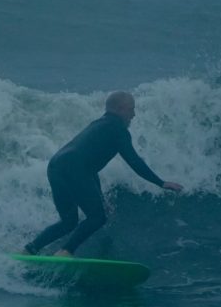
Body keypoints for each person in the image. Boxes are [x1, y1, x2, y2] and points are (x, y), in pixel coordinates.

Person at [23, 91, 183, 257]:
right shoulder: (118, 130)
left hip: (56, 166)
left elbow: (89, 168)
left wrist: (99, 196)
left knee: (69, 222)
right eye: (131, 110)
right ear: (121, 109)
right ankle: (65, 251)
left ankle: (30, 249)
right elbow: (134, 161)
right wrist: (161, 182)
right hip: (73, 168)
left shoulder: (98, 125)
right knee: (98, 218)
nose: (133, 115)